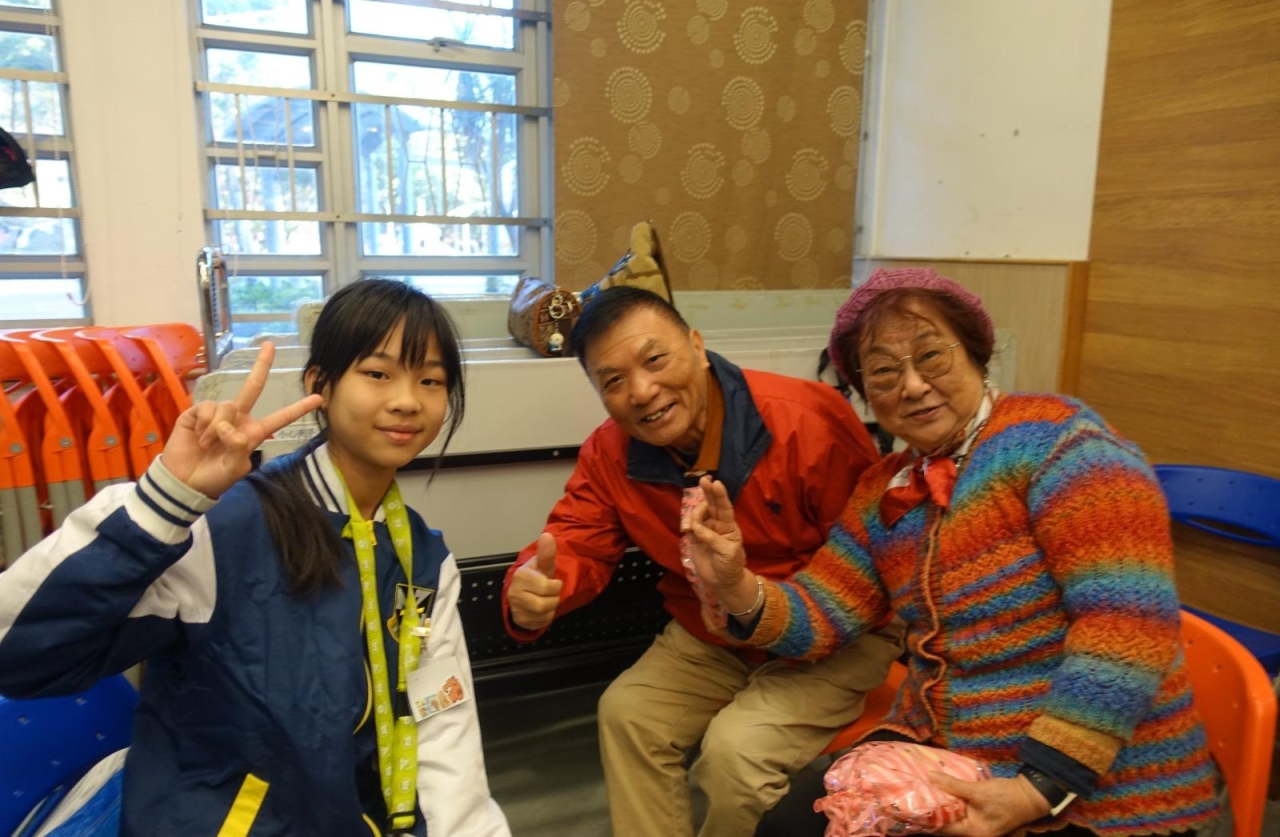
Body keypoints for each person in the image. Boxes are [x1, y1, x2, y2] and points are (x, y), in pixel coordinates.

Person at [684, 267, 1221, 837]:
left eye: (931, 357)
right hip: (957, 761)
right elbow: (821, 613)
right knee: (784, 825)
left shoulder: (1063, 445)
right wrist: (736, 585)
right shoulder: (882, 490)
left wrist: (1036, 789)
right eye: (883, 372)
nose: (912, 386)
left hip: (1108, 793)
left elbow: (1127, 628)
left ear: (975, 354)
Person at [0, 279, 510, 837]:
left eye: (431, 380)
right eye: (377, 373)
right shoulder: (224, 528)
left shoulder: (425, 558)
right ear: (319, 383)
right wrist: (163, 501)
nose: (408, 400)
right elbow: (19, 653)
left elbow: (443, 725)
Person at [501, 287, 906, 837]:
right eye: (613, 381)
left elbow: (876, 558)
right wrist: (533, 586)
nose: (642, 392)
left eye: (655, 359)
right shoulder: (609, 452)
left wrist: (769, 608)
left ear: (696, 345)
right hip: (712, 632)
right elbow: (576, 539)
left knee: (734, 755)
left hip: (835, 633)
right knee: (628, 714)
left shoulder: (806, 418)